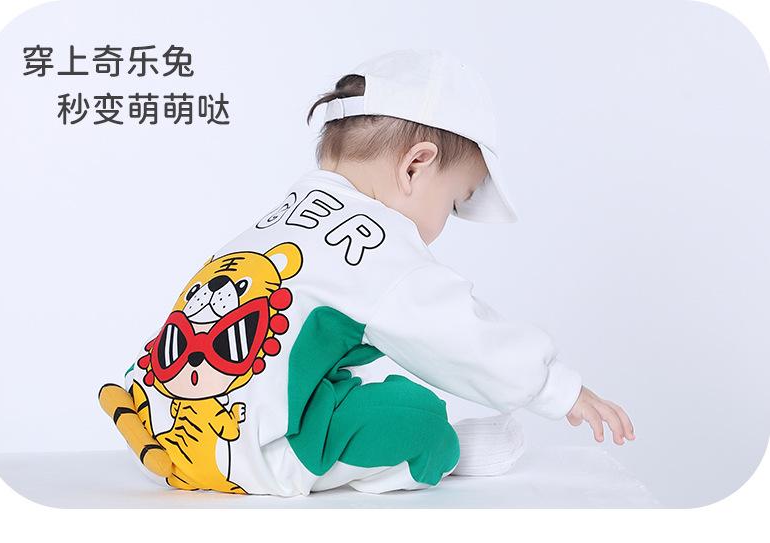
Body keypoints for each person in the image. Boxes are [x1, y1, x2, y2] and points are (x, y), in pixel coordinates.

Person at [98, 48, 634, 497]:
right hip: (245, 457)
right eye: (453, 203)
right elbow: (458, 335)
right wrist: (556, 387)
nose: (444, 224)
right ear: (415, 166)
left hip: (157, 430)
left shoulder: (286, 218)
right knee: (419, 416)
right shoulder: (373, 243)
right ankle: (443, 455)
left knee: (349, 377)